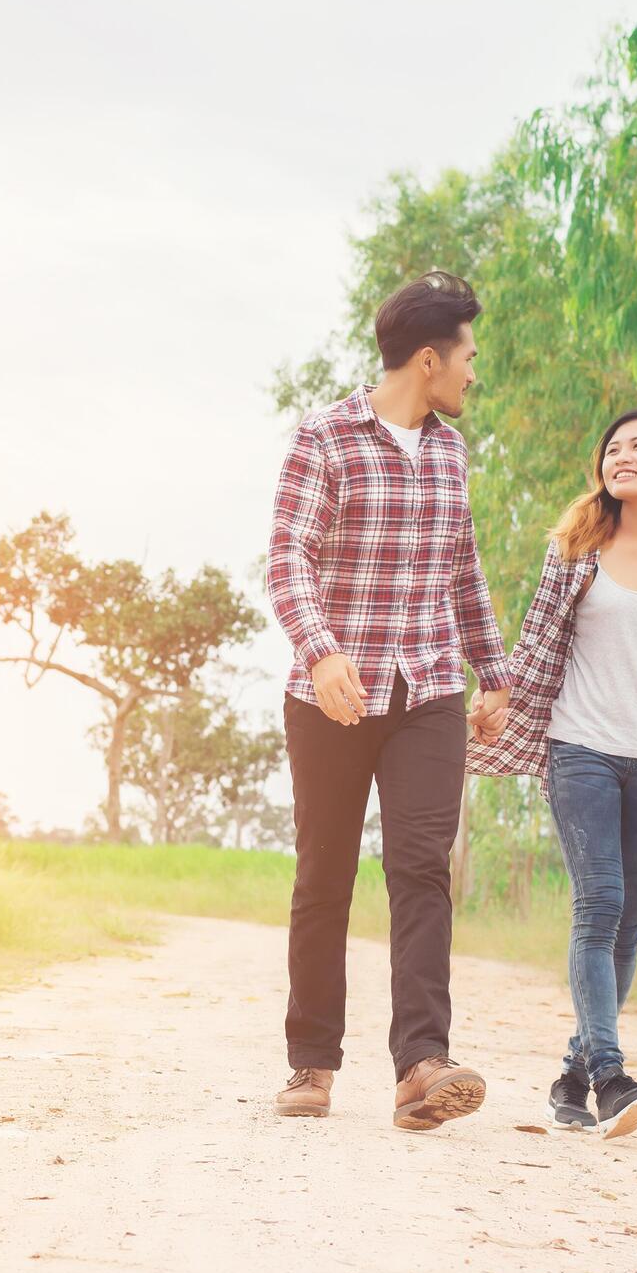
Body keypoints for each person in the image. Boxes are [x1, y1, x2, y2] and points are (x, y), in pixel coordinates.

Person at [264, 270, 511, 1130]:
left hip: (429, 688)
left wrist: (498, 673)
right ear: (429, 357)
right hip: (332, 693)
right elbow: (288, 558)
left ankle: (421, 1065)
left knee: (419, 867)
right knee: (324, 874)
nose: (474, 373)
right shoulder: (325, 438)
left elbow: (463, 570)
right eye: (469, 357)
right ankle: (310, 1064)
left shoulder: (448, 451)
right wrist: (320, 650)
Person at [466, 408, 637, 1137]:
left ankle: (571, 1072)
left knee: (626, 928)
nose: (620, 456)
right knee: (599, 906)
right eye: (612, 448)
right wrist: (496, 698)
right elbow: (534, 644)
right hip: (580, 746)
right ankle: (613, 1078)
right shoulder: (578, 545)